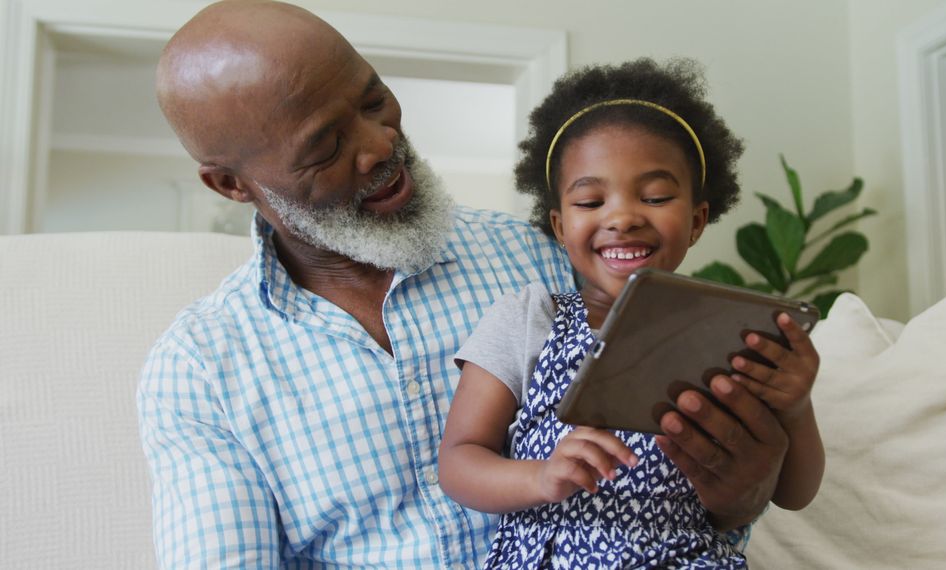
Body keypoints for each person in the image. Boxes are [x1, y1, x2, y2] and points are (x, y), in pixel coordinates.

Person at [137, 1, 791, 568]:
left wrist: (743, 489)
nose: (381, 144)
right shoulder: (200, 370)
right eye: (326, 147)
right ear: (231, 184)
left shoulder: (550, 260)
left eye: (373, 101)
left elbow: (696, 500)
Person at [438, 58, 825, 569]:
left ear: (696, 220)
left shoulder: (728, 331)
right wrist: (539, 477)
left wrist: (795, 408)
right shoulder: (528, 319)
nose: (621, 217)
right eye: (590, 201)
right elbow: (459, 459)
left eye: (656, 196)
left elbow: (793, 495)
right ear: (558, 226)